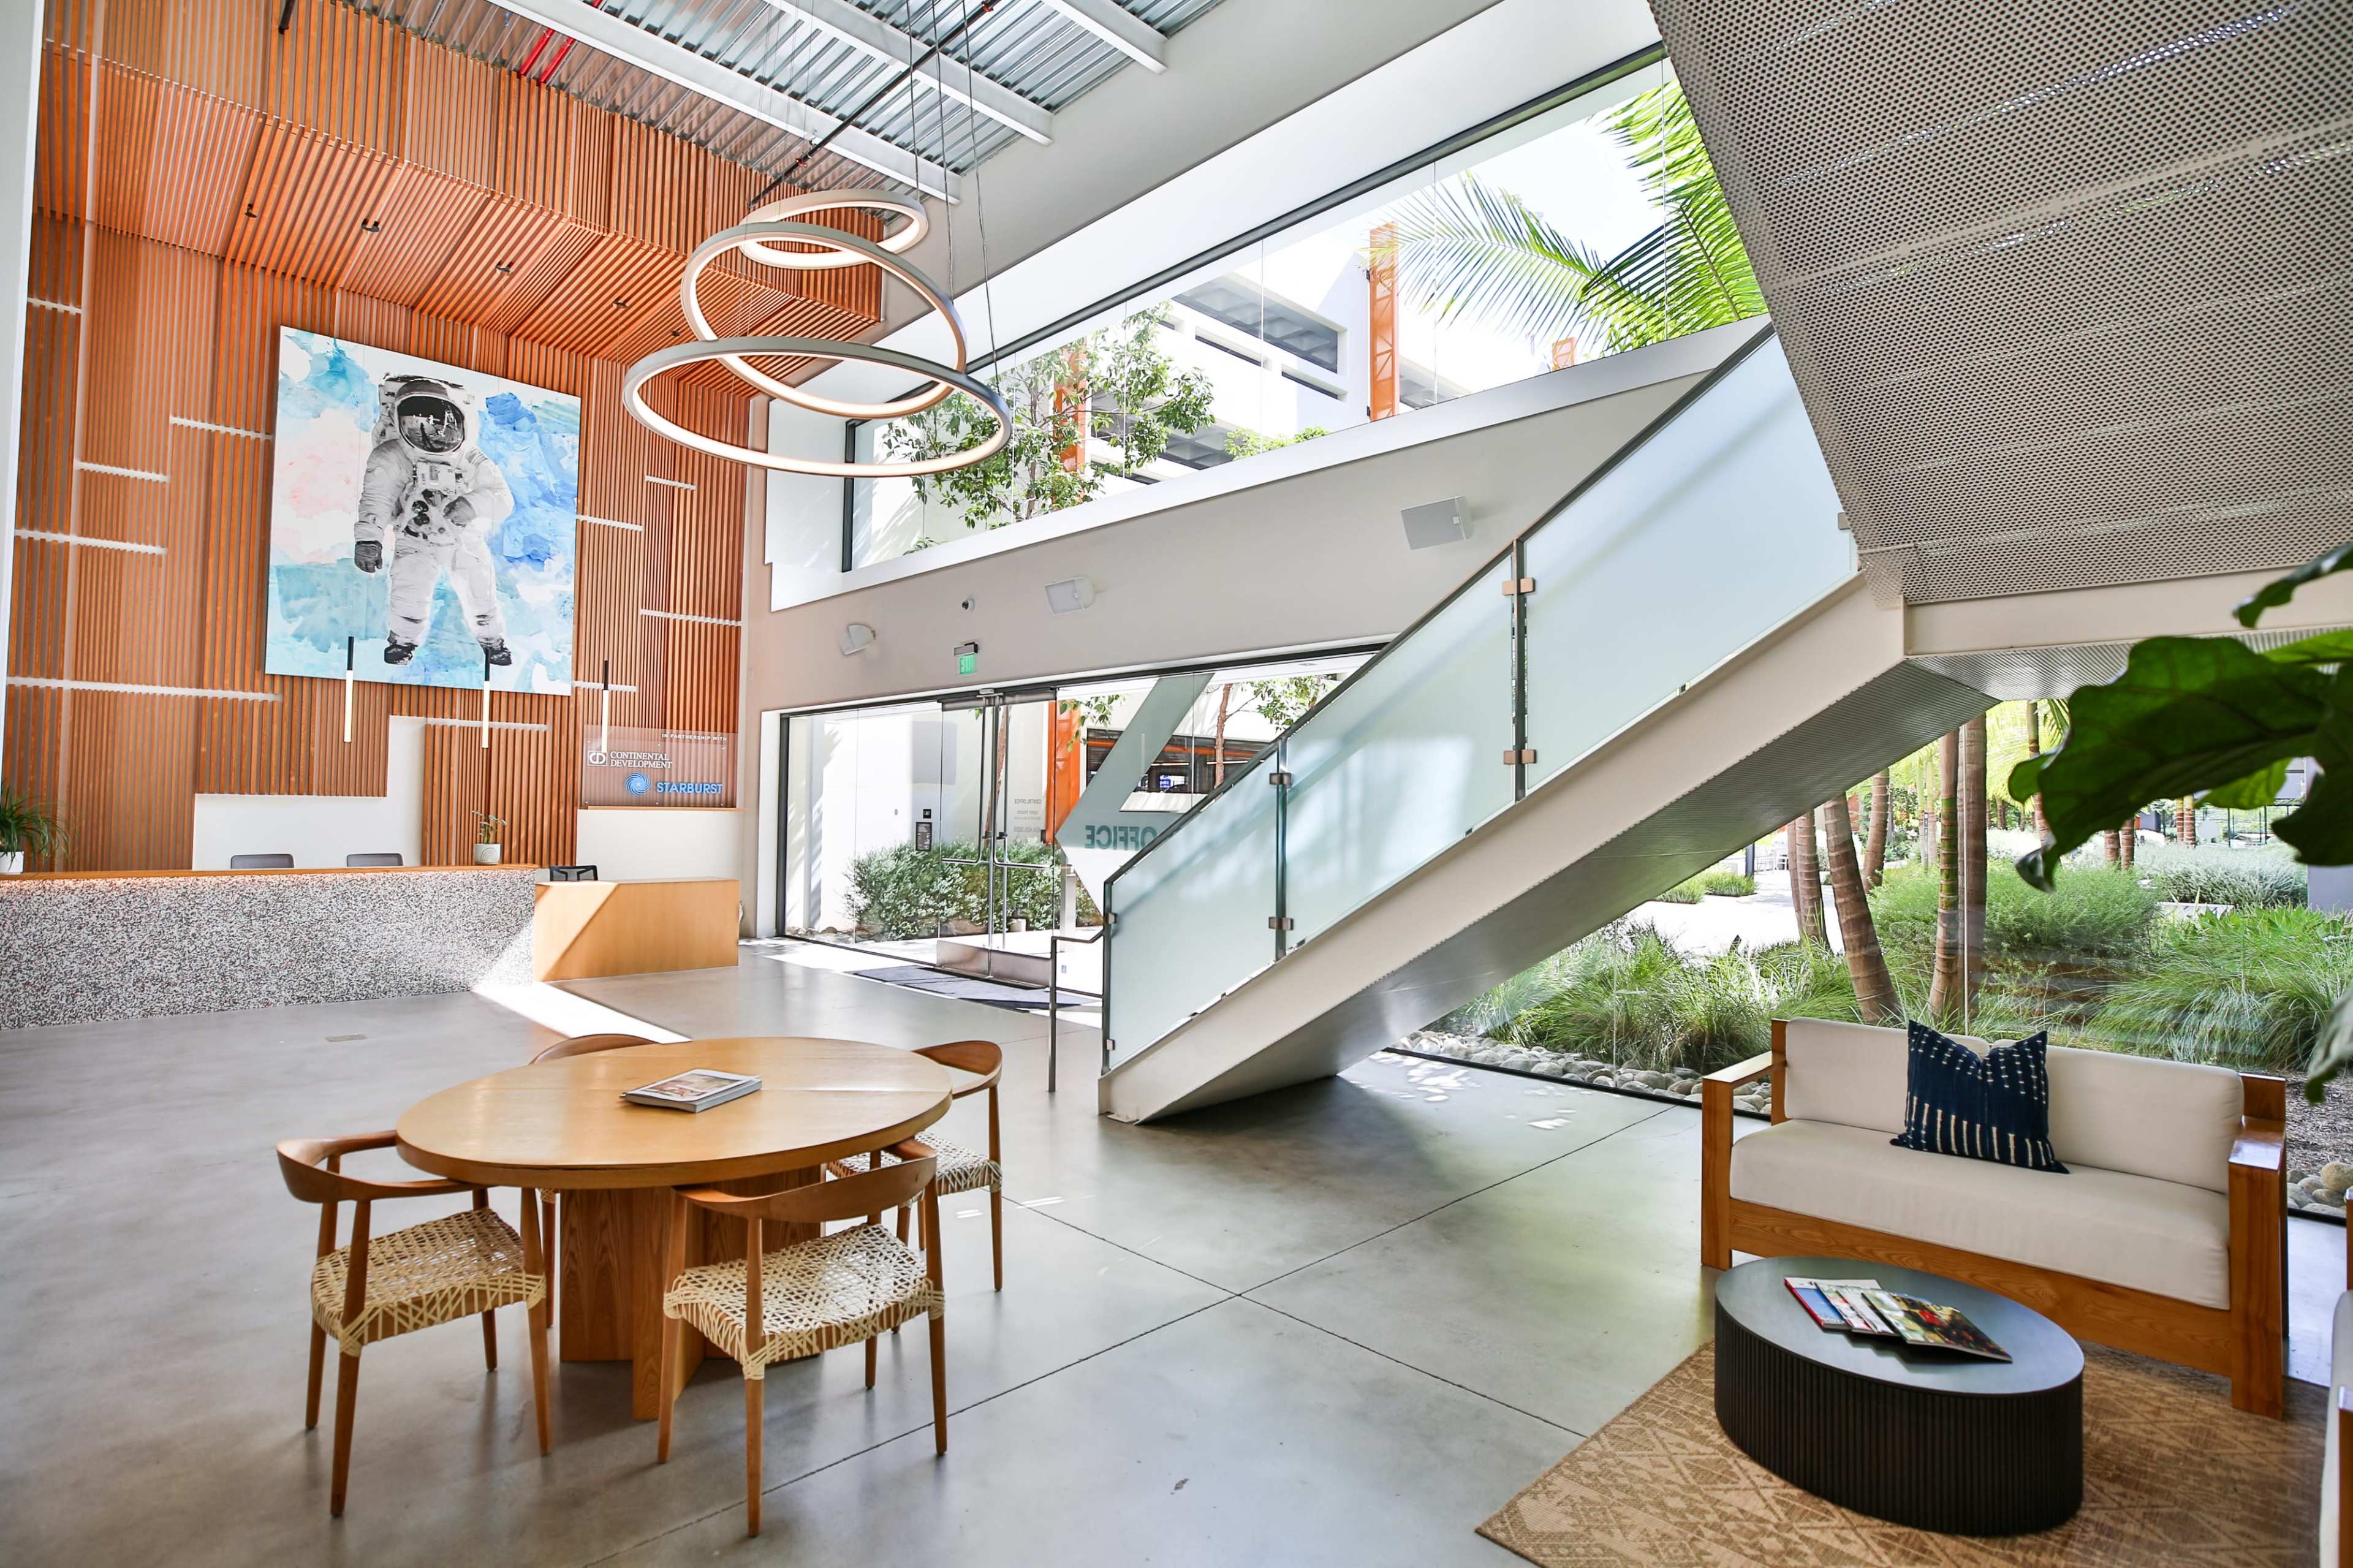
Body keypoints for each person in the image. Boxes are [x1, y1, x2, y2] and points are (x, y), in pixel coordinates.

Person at [352, 374, 515, 666]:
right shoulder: (392, 456)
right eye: (417, 424)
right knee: (408, 592)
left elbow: (502, 498)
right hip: (415, 535)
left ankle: (492, 642)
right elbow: (377, 498)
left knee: (481, 594)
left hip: (462, 538)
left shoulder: (471, 458)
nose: (432, 433)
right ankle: (403, 641)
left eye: (441, 424)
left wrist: (470, 504)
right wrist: (368, 538)